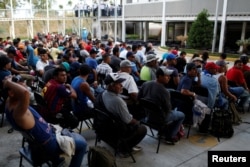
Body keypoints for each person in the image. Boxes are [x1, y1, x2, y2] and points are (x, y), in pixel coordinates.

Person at [3, 76, 87, 167]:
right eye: (20, 85)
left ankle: (57, 161)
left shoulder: (10, 103)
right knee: (82, 145)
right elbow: (25, 93)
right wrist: (8, 82)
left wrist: (11, 82)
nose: (25, 86)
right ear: (11, 93)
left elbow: (24, 91)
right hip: (49, 145)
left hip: (42, 140)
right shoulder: (18, 112)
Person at [97, 73, 147, 153]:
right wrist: (137, 122)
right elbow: (128, 120)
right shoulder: (118, 101)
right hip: (115, 130)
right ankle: (125, 149)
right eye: (118, 84)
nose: (122, 85)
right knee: (142, 128)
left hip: (103, 127)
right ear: (111, 86)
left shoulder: (103, 93)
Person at [138, 66, 185, 144]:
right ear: (159, 76)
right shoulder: (164, 92)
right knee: (181, 114)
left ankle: (162, 133)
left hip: (147, 116)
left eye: (169, 76)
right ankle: (170, 137)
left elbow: (139, 98)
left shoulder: (146, 84)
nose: (169, 77)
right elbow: (168, 110)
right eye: (167, 76)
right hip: (160, 119)